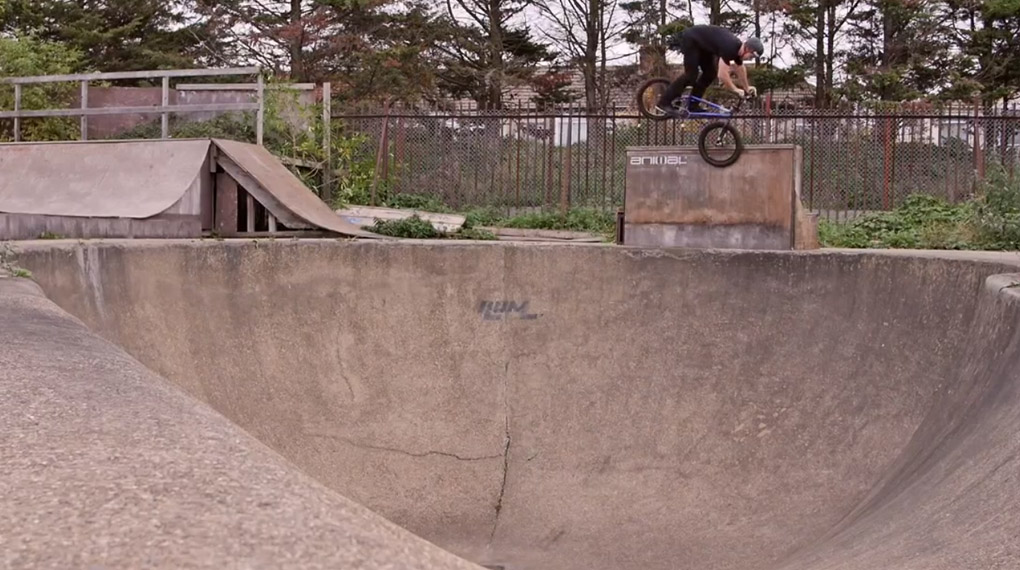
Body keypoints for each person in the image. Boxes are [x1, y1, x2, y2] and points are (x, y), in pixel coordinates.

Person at [656, 24, 764, 116]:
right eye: (752, 56)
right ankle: (664, 102)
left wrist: (747, 88)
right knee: (691, 74)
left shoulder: (737, 51)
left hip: (704, 47)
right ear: (748, 49)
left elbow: (740, 68)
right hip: (692, 40)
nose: (751, 59)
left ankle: (692, 106)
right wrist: (735, 89)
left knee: (710, 74)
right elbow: (722, 75)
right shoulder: (729, 48)